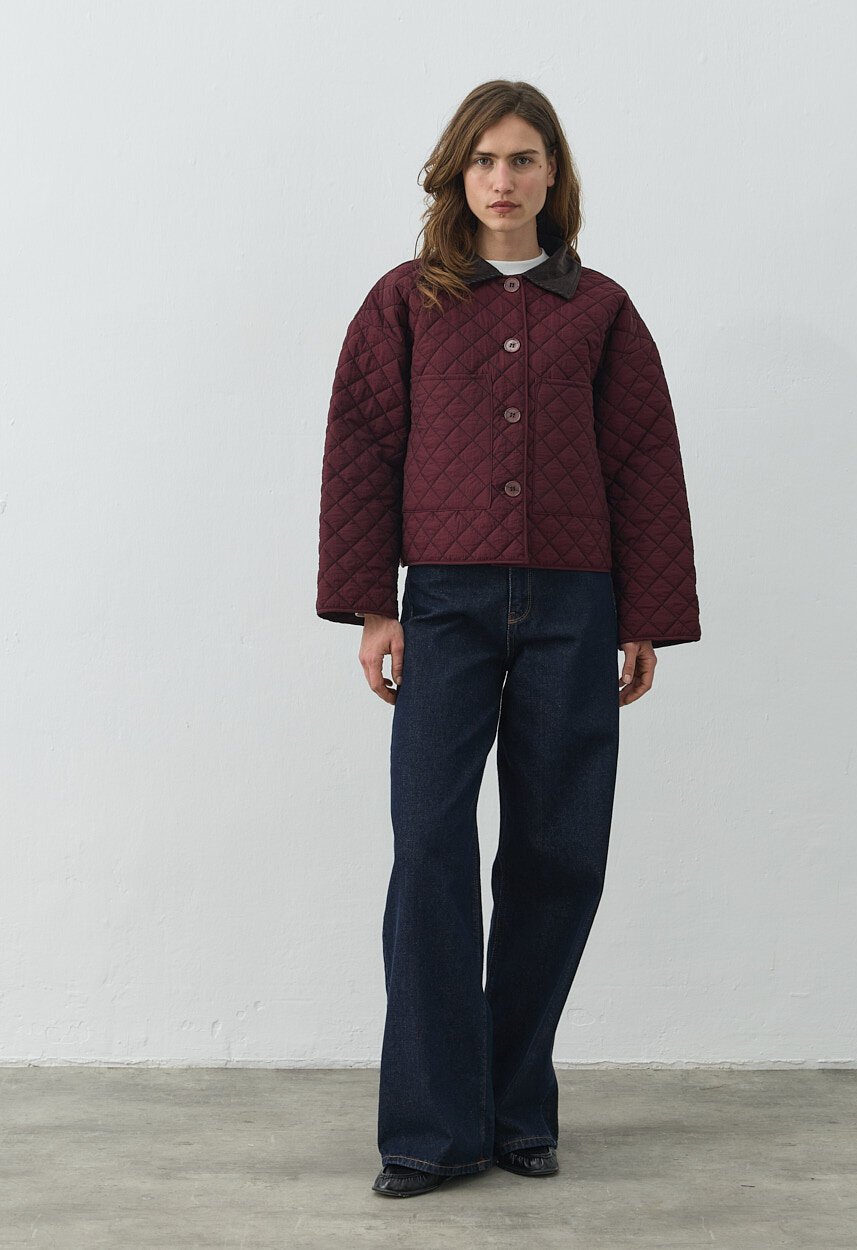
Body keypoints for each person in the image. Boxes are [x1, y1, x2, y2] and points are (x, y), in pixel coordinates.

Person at [315, 80, 701, 1198]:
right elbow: (361, 446)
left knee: (557, 852)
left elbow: (643, 460)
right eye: (483, 159)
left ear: (552, 174)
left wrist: (644, 616)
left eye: (523, 158)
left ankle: (517, 1106)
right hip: (444, 604)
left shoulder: (603, 309)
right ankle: (431, 1130)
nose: (502, 178)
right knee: (431, 848)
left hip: (577, 607)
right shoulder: (406, 301)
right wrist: (373, 605)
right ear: (456, 173)